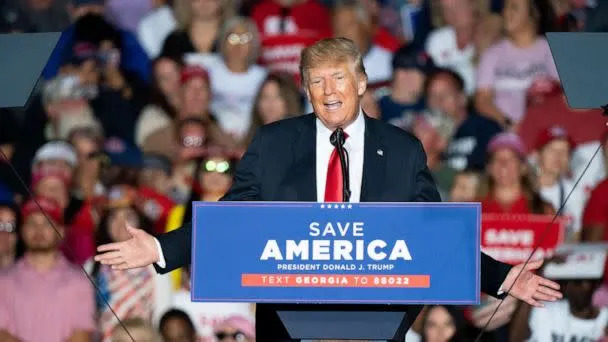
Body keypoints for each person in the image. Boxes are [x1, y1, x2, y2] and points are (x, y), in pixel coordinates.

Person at [95, 37, 562, 340]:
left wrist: (502, 277)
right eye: (316, 81)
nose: (328, 90)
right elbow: (231, 217)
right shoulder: (275, 143)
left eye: (339, 76)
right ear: (305, 89)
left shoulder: (401, 150)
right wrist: (161, 247)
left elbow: (430, 236)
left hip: (375, 321)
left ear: (360, 83)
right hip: (289, 320)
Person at [0, 196, 95, 342]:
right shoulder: (4, 280)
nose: (39, 230)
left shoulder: (79, 281)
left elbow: (81, 335)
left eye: (46, 223)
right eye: (32, 223)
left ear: (61, 231)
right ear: (22, 231)